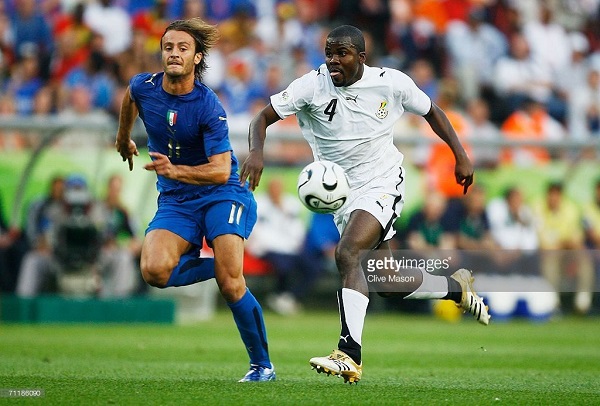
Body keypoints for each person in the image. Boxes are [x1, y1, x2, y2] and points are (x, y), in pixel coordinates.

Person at [240, 25, 489, 384]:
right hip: (343, 193)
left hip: (383, 180)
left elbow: (433, 111)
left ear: (361, 57)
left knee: (348, 253)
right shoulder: (311, 85)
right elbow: (262, 118)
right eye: (328, 53)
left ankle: (349, 354)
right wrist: (257, 152)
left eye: (341, 53)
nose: (333, 61)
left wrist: (461, 156)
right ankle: (456, 288)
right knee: (386, 280)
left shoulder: (392, 83)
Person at [114, 18, 275, 382]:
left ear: (196, 57)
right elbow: (130, 96)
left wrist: (174, 171)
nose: (173, 53)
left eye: (182, 48)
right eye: (168, 47)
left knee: (232, 283)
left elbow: (220, 171)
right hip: (176, 200)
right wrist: (123, 138)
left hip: (222, 194)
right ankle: (216, 263)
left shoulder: (208, 105)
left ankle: (262, 366)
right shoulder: (145, 86)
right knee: (154, 271)